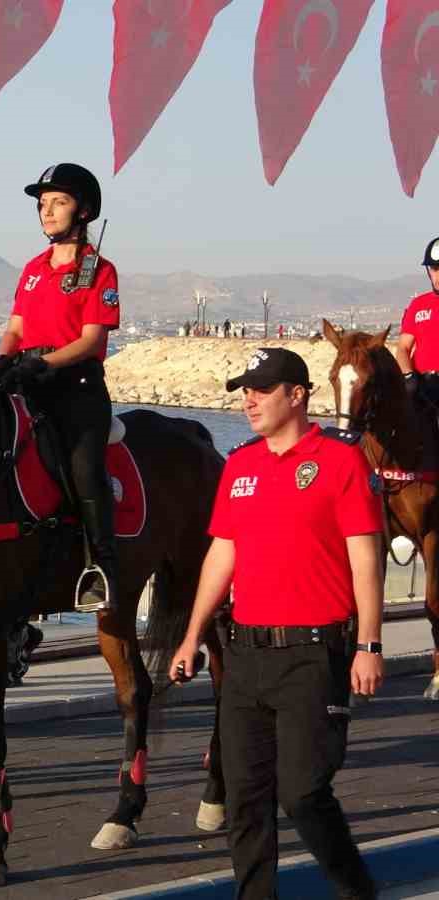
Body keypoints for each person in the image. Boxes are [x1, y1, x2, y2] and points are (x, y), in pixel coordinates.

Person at [168, 347, 383, 900]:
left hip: (314, 656)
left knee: (305, 792)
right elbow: (222, 552)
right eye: (245, 390)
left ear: (298, 395)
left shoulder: (340, 460)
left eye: (262, 390)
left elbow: (366, 556)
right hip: (244, 656)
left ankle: (358, 891)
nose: (249, 400)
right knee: (245, 799)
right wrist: (191, 637)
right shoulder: (239, 464)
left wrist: (369, 644)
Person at [0, 162, 121, 612]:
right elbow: (16, 326)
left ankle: (101, 567)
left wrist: (44, 364)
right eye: (43, 204)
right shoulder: (33, 269)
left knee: (84, 471)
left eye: (58, 202)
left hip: (75, 389)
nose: (47, 211)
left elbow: (92, 340)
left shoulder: (100, 270)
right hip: (27, 381)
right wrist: (2, 361)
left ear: (84, 211)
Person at [394, 237, 439, 409]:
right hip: (421, 387)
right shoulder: (418, 305)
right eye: (435, 269)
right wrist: (409, 376)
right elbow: (403, 348)